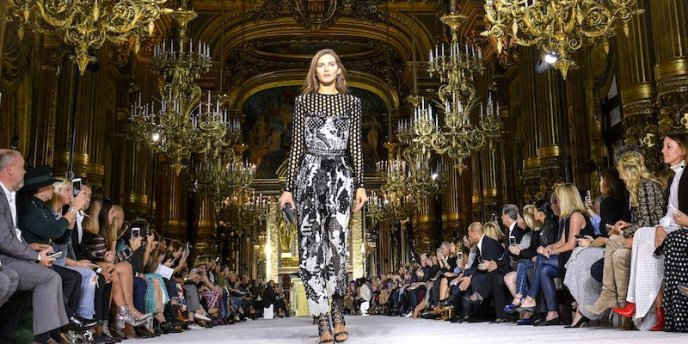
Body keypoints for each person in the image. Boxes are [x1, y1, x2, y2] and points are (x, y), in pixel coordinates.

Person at [278, 48, 367, 344]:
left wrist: (361, 185)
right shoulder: (303, 101)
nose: (327, 69)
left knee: (337, 248)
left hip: (341, 176)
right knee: (311, 247)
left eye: (331, 64)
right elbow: (296, 148)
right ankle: (321, 318)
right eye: (321, 65)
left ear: (339, 70)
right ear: (314, 72)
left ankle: (338, 312)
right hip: (310, 174)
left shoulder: (352, 103)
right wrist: (288, 189)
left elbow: (355, 146)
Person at [615, 133, 688, 331]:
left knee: (641, 237)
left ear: (683, 149)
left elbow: (659, 217)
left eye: (668, 146)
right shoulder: (675, 178)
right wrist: (660, 228)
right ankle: (649, 309)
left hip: (683, 230)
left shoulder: (650, 185)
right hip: (673, 228)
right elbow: (670, 213)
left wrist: (664, 226)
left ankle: (637, 303)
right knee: (644, 236)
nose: (663, 150)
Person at [0, 150, 71, 343]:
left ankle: (48, 335)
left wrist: (31, 249)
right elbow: (4, 240)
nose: (24, 172)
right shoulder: (4, 196)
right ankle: (45, 337)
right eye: (22, 168)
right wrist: (36, 257)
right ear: (10, 169)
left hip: (11, 256)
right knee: (48, 278)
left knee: (49, 277)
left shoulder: (9, 195)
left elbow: (14, 235)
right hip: (5, 258)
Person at [585, 151, 665, 319]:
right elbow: (646, 219)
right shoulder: (639, 187)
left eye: (621, 171)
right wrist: (628, 225)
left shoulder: (646, 186)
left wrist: (624, 230)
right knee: (619, 255)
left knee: (613, 240)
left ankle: (610, 296)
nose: (620, 177)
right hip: (646, 235)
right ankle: (623, 304)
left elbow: (653, 222)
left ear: (630, 170)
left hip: (655, 237)